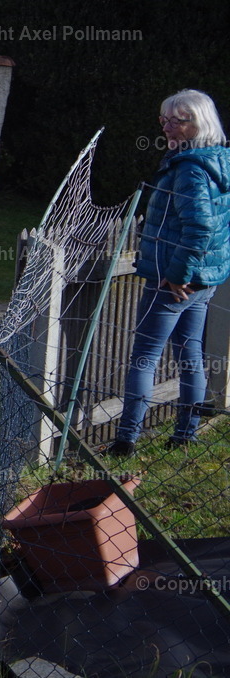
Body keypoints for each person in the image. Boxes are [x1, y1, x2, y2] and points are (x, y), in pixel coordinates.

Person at [107, 90, 230, 456]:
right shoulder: (216, 160)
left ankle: (126, 440)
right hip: (204, 279)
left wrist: (177, 275)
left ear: (200, 123)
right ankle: (185, 435)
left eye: (180, 120)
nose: (168, 126)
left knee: (144, 356)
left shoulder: (191, 169)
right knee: (190, 354)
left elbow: (200, 228)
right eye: (164, 118)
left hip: (173, 280)